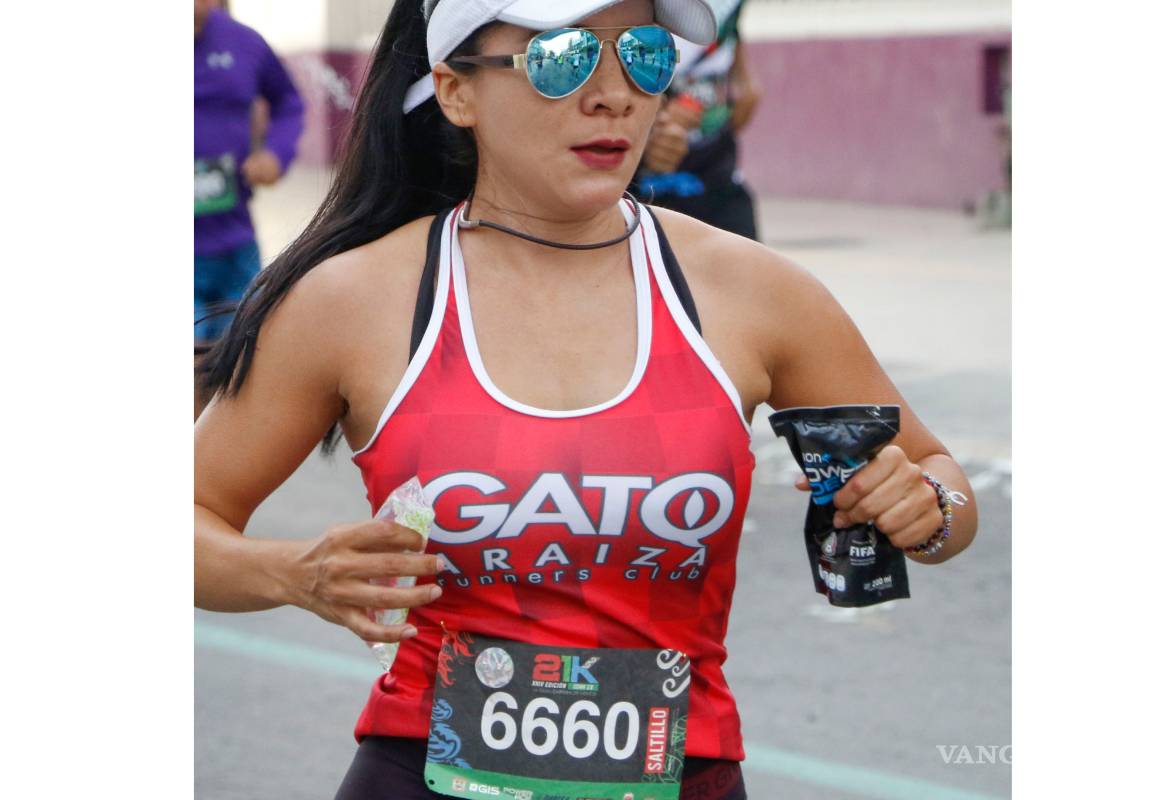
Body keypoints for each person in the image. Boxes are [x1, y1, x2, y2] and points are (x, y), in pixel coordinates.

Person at [194, 2, 979, 798]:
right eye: (561, 57)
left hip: (683, 775)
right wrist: (294, 573)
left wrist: (929, 507)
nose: (615, 95)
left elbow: (939, 481)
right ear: (455, 92)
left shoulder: (753, 292)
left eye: (642, 55)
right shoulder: (353, 301)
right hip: (424, 774)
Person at [194, 0, 304, 347]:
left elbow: (289, 102)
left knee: (242, 354)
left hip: (234, 243)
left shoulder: (244, 43)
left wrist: (276, 154)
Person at [634, 0, 761, 239]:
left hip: (715, 174)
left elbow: (727, 35)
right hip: (646, 186)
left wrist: (742, 83)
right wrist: (647, 130)